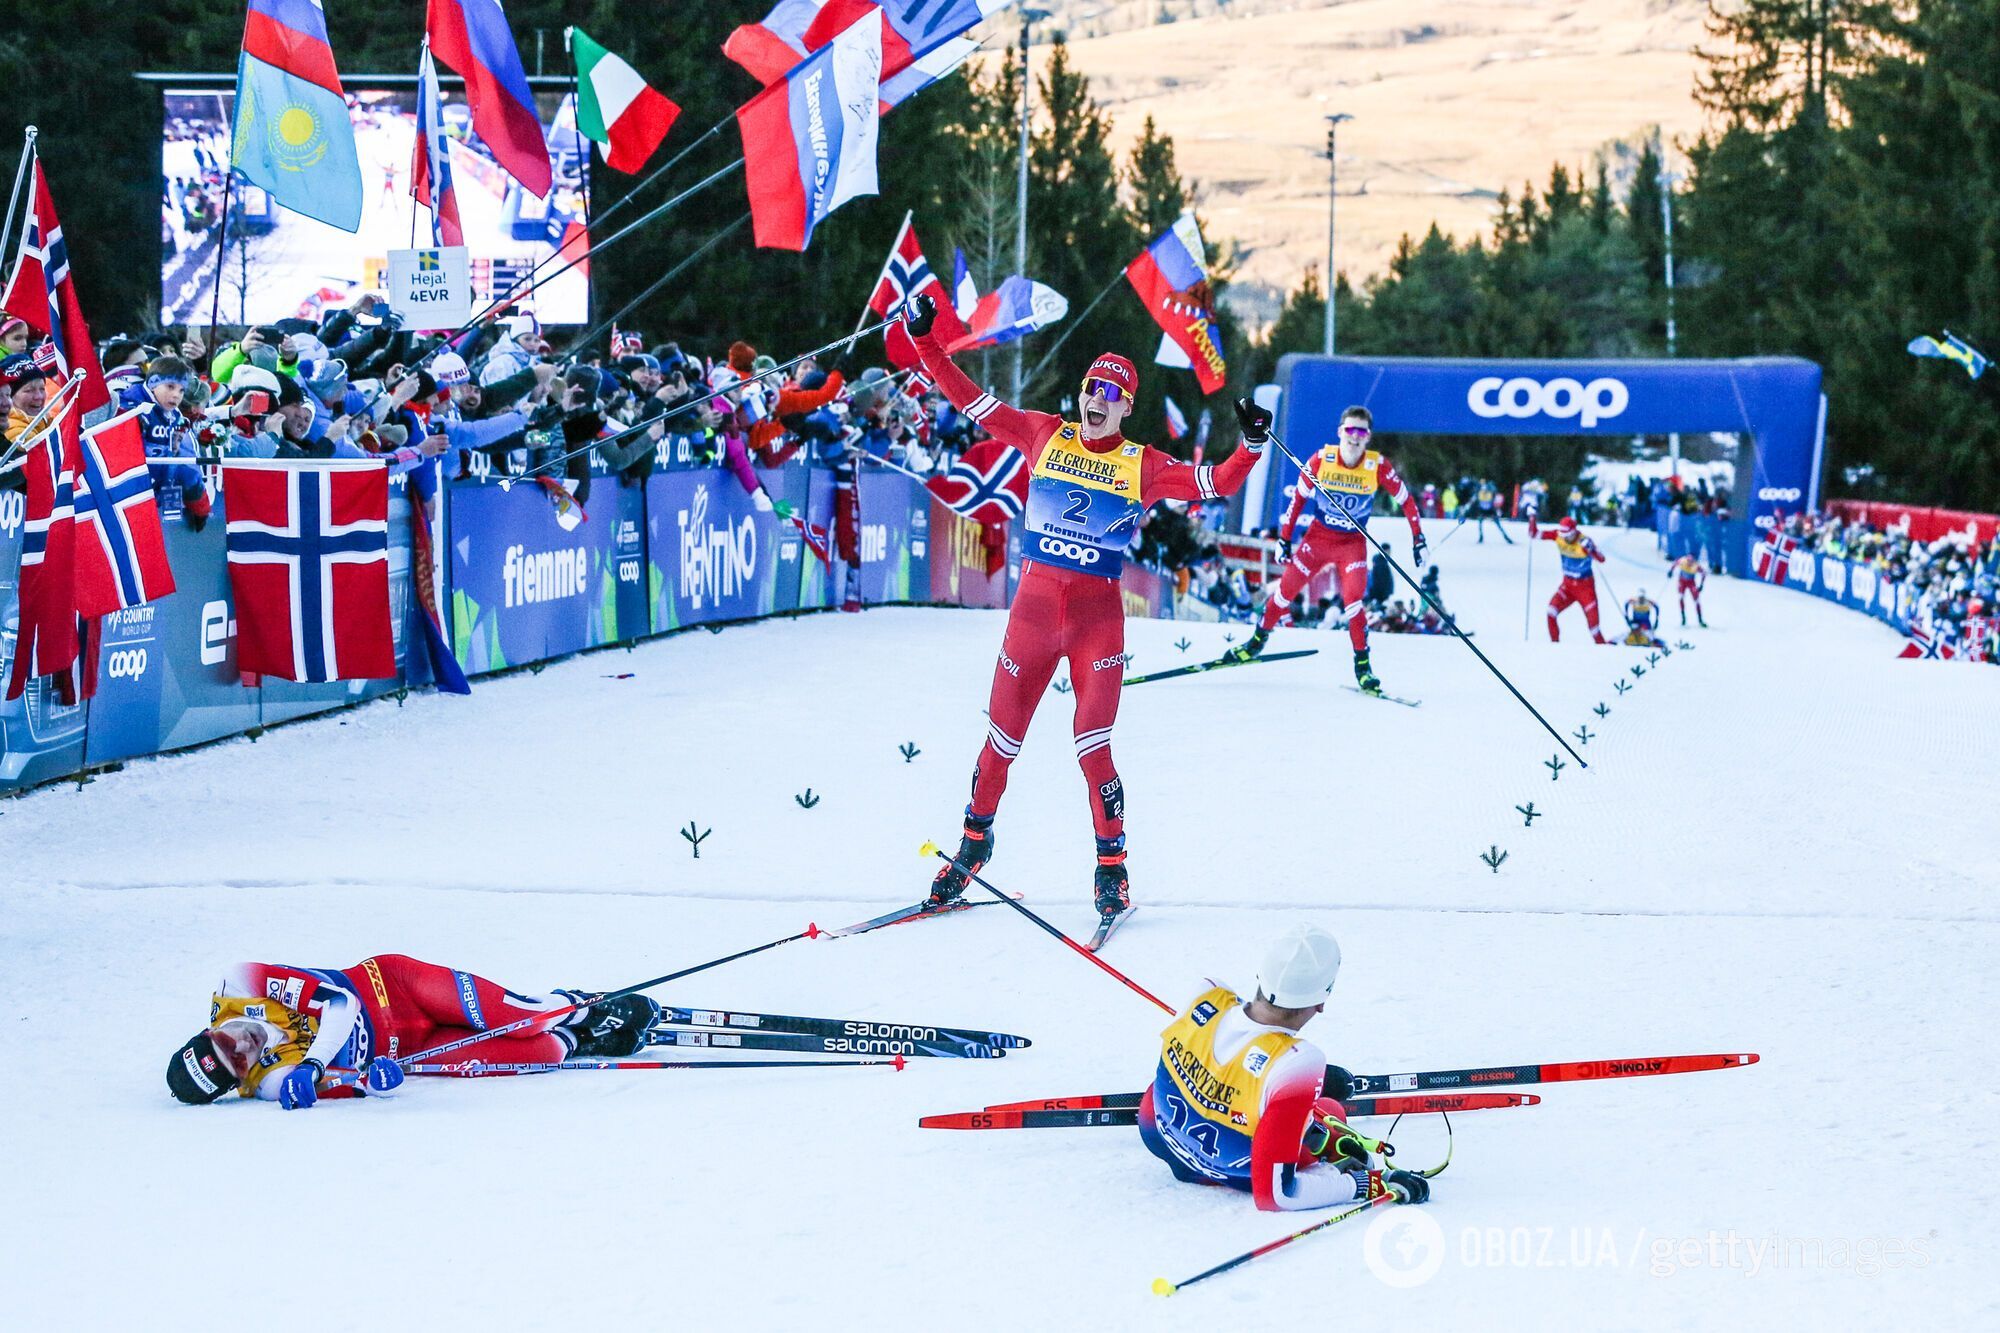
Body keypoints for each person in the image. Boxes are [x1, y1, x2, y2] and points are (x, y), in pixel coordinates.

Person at [905, 291, 1265, 920]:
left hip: (1098, 622)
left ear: (1127, 407)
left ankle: (1112, 868)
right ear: (1082, 394)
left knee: (1092, 746)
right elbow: (964, 397)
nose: (1098, 401)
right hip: (1033, 618)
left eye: (1112, 395)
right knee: (1000, 743)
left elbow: (1217, 484)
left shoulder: (1143, 464)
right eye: (1092, 389)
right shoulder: (1042, 431)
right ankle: (973, 845)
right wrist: (924, 339)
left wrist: (1252, 446)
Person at [1138, 925, 1430, 1212]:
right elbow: (1277, 1195)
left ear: (1260, 975)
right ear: (1321, 1002)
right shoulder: (1300, 1062)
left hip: (1160, 1138)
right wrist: (1366, 1184)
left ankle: (1288, 1107)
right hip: (1233, 1172)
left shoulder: (1207, 991)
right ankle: (1319, 1134)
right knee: (1331, 1111)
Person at [165, 954, 661, 1109]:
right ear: (241, 1081)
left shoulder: (241, 983)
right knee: (544, 1054)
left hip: (393, 987)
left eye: (227, 1041)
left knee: (524, 1021)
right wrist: (369, 1082)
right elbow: (344, 1085)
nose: (244, 1045)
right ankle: (589, 1038)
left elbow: (339, 1002)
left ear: (207, 1031)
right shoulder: (265, 1084)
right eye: (239, 1062)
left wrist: (314, 1063)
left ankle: (576, 1007)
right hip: (413, 1048)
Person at [1231, 404, 1424, 697]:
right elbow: (1297, 500)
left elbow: (1407, 501)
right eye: (1350, 430)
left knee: (1353, 603)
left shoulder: (1377, 466)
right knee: (1284, 592)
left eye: (1361, 431)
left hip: (1352, 544)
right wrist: (1284, 539)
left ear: (1368, 436)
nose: (1354, 437)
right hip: (1318, 539)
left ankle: (1363, 668)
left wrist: (1418, 538)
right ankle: (1256, 641)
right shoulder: (1322, 459)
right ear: (1340, 432)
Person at [1530, 514, 1609, 643]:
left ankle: (1604, 650)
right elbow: (1533, 534)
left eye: (1567, 536)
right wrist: (1532, 517)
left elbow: (1601, 559)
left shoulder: (1584, 541)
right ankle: (1554, 645)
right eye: (1562, 535)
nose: (1564, 538)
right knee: (1551, 612)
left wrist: (1591, 550)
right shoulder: (1558, 536)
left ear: (1573, 531)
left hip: (1585, 587)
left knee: (1594, 628)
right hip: (1567, 586)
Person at [1469, 478, 1512, 544]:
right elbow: (1474, 500)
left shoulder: (1489, 491)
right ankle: (1481, 537)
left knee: (1497, 524)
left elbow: (1494, 494)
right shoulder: (1480, 492)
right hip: (1484, 509)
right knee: (1481, 523)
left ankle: (1506, 537)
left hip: (1489, 509)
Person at [1670, 552, 1708, 627]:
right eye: (1688, 560)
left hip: (1691, 583)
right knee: (1681, 597)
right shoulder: (1682, 561)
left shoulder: (1696, 565)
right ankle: (1683, 618)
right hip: (1682, 582)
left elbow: (1703, 573)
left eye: (1691, 560)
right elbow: (1675, 563)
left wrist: (1701, 585)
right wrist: (1670, 571)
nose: (1689, 562)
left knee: (1696, 600)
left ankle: (1700, 620)